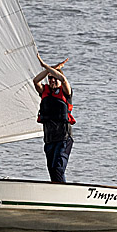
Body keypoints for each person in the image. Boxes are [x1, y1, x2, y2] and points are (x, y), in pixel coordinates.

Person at [32, 54, 75, 183]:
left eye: (54, 78)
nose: (52, 80)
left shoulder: (65, 92)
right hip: (49, 138)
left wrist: (46, 66)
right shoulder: (44, 91)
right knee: (51, 169)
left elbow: (63, 79)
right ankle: (58, 192)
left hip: (63, 138)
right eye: (50, 78)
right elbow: (35, 81)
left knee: (58, 168)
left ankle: (64, 193)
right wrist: (51, 68)